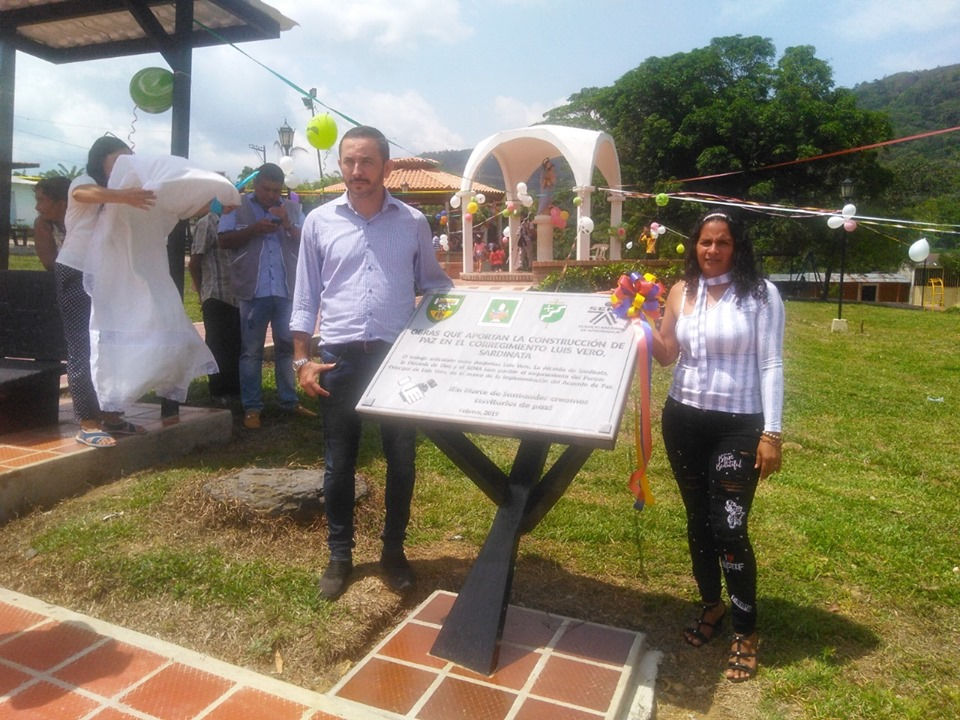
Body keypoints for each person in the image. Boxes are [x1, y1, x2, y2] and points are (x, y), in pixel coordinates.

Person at [290, 125, 453, 600]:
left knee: (401, 459)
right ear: (340, 165)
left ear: (386, 167)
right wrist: (301, 359)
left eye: (366, 162)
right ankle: (340, 556)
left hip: (395, 359)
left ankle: (393, 553)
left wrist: (439, 337)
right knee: (339, 462)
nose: (356, 171)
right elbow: (304, 296)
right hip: (338, 359)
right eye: (348, 162)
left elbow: (436, 285)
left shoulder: (411, 222)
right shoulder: (319, 222)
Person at [650, 210, 784, 683]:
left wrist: (772, 432)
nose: (711, 251)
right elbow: (668, 354)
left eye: (721, 242)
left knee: (729, 525)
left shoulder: (760, 295)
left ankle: (745, 629)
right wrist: (639, 322)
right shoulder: (680, 292)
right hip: (683, 418)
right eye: (704, 242)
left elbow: (771, 364)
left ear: (737, 246)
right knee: (697, 519)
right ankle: (712, 606)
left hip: (739, 425)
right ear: (694, 245)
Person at [218, 163, 313, 430]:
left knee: (286, 348)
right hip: (253, 289)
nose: (271, 195)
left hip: (285, 289)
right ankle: (252, 408)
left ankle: (289, 401)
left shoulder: (292, 208)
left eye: (276, 190)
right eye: (266, 189)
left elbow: (309, 241)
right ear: (255, 185)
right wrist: (254, 230)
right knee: (251, 352)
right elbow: (223, 240)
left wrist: (287, 223)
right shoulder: (237, 206)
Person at [189, 204, 241, 407]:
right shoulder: (208, 222)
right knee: (218, 346)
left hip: (236, 295)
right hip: (215, 294)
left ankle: (234, 390)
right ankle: (218, 392)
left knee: (235, 345)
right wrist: (201, 290)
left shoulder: (236, 221)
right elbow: (195, 262)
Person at [32, 176, 70, 270]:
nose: (37, 207)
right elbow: (51, 266)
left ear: (62, 204)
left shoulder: (87, 224)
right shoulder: (43, 225)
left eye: (41, 200)